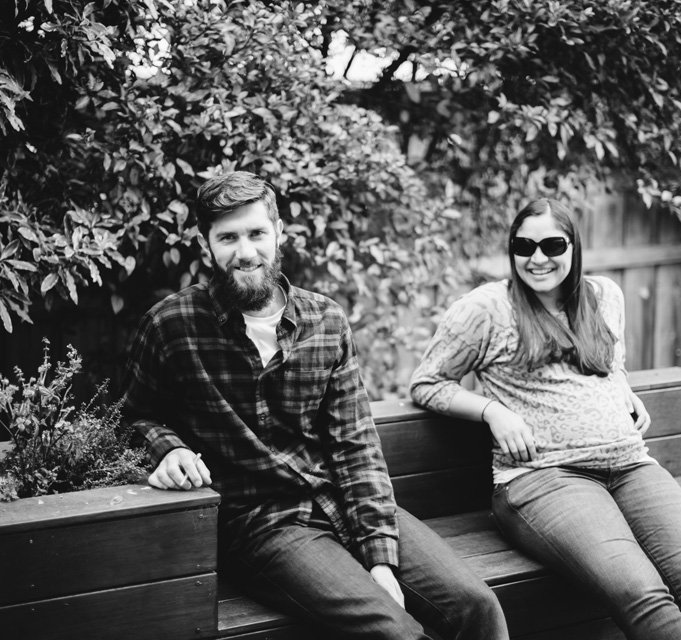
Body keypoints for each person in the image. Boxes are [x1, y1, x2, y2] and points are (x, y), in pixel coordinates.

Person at [120, 171, 508, 640]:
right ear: (207, 244)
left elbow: (356, 446)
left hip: (340, 498)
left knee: (476, 606)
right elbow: (133, 415)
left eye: (256, 233)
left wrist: (379, 557)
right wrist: (168, 448)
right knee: (395, 633)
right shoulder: (171, 324)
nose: (245, 252)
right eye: (228, 238)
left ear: (278, 232)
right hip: (262, 524)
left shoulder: (325, 321)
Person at [410, 198, 681, 640]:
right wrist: (492, 411)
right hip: (544, 478)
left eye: (551, 245)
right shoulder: (486, 308)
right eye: (524, 246)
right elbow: (428, 382)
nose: (537, 258)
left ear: (573, 247)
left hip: (631, 465)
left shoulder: (605, 296)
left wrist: (621, 388)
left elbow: (611, 362)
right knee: (644, 595)